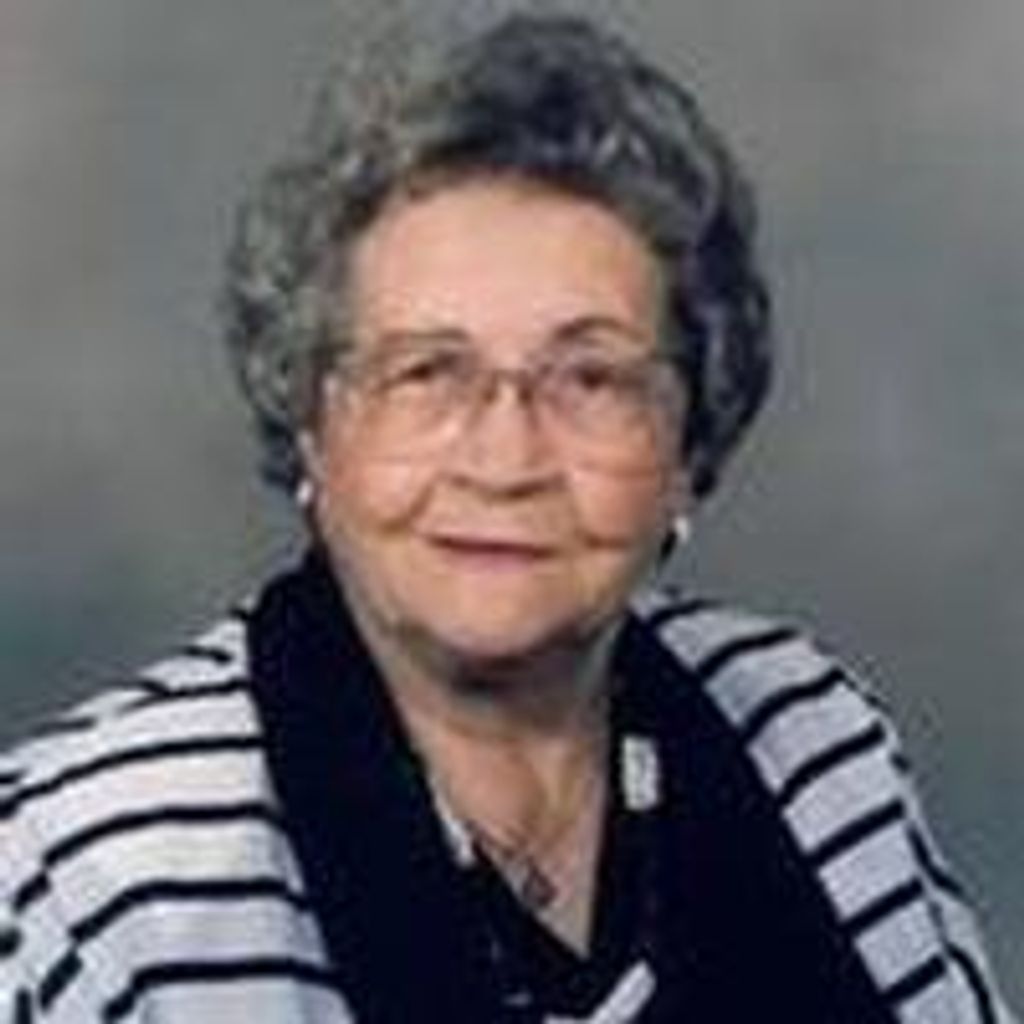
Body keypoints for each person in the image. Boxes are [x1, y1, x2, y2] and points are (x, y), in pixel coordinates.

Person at [0, 11, 1015, 1023]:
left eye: (590, 378)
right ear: (311, 424)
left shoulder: (811, 736)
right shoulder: (83, 874)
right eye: (427, 373)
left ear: (687, 443)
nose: (506, 459)